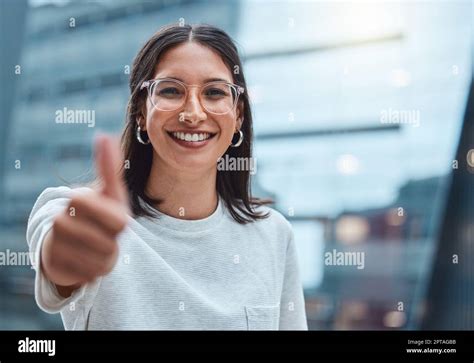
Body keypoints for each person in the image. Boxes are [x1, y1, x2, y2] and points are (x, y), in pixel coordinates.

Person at [26, 23, 307, 330]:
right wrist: (66, 259)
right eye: (171, 90)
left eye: (214, 93)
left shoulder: (274, 235)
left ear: (238, 115)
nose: (194, 114)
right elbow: (59, 261)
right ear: (141, 113)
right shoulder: (81, 212)